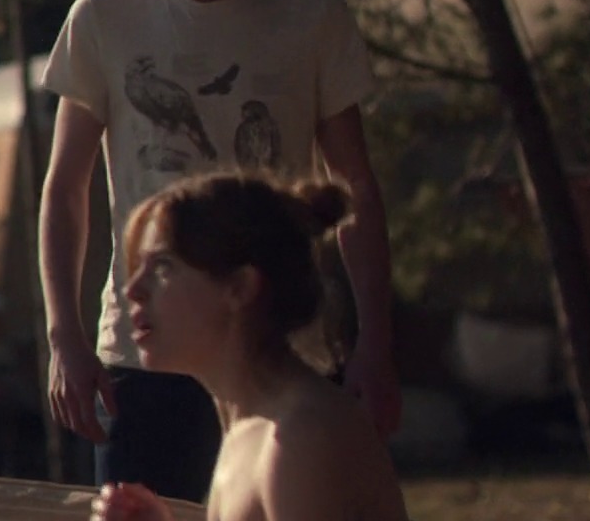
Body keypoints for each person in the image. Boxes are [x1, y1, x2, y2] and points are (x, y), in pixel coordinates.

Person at [37, 0, 400, 502]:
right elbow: (65, 190)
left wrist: (376, 345)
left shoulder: (313, 17)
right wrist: (65, 339)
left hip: (282, 352)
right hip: (147, 356)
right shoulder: (105, 18)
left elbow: (354, 187)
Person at [88, 173, 409, 521]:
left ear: (240, 287)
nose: (133, 290)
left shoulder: (300, 437)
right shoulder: (251, 427)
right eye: (140, 267)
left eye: (164, 267)